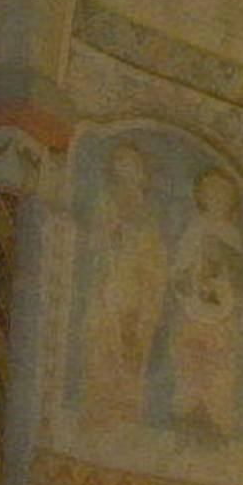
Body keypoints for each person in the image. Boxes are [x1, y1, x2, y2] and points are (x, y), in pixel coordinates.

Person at [78, 142, 167, 427]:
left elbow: (156, 258)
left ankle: (127, 412)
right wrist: (110, 232)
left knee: (132, 348)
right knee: (102, 343)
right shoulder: (105, 205)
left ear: (141, 172)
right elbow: (92, 244)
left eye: (131, 165)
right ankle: (99, 407)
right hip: (107, 288)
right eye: (120, 164)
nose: (125, 171)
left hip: (135, 292)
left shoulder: (149, 215)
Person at [168, 167, 243, 442]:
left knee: (219, 368)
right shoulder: (195, 229)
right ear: (202, 197)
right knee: (190, 364)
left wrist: (222, 281)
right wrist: (190, 281)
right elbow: (179, 269)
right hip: (192, 312)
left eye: (223, 194)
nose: (217, 199)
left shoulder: (233, 235)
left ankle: (215, 424)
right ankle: (186, 420)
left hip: (223, 316)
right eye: (212, 193)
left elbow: (240, 278)